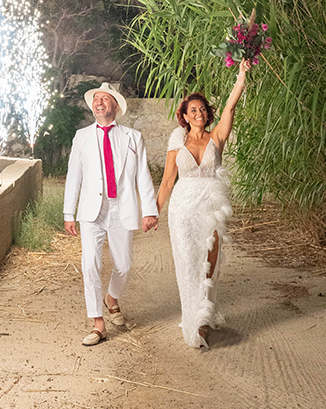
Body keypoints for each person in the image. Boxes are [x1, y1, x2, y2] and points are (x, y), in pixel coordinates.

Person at [156, 59, 250, 348]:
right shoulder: (177, 141)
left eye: (202, 109)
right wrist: (152, 211)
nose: (198, 113)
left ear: (208, 114)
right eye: (192, 110)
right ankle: (194, 321)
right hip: (182, 210)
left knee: (209, 266)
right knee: (187, 264)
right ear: (184, 115)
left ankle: (205, 316)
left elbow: (231, 107)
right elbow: (168, 181)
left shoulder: (216, 137)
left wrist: (242, 76)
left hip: (209, 208)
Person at [64, 82, 159, 346]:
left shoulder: (132, 137)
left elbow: (143, 175)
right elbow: (74, 176)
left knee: (124, 264)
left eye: (105, 99)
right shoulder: (81, 137)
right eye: (96, 99)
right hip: (91, 211)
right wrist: (68, 213)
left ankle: (112, 299)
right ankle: (97, 323)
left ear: (115, 106)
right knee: (90, 264)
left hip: (121, 207)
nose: (99, 103)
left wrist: (150, 210)